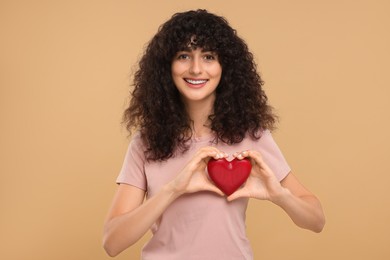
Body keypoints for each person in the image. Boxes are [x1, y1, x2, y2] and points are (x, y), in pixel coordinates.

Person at [103, 9, 325, 259]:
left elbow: (316, 220)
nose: (196, 69)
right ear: (167, 65)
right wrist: (173, 189)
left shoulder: (252, 137)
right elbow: (112, 242)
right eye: (184, 55)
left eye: (208, 56)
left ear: (225, 66)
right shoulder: (145, 143)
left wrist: (279, 196)